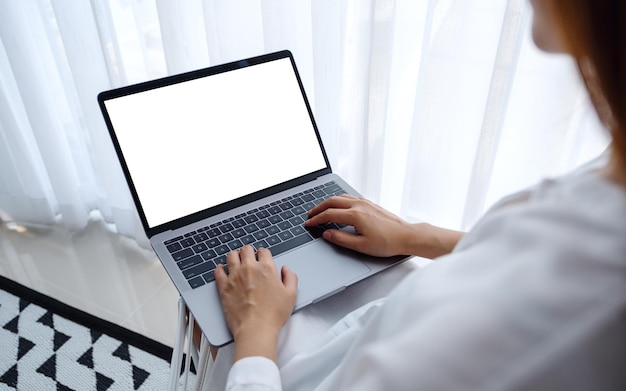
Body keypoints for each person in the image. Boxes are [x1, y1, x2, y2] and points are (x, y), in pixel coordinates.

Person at [204, 0, 626, 389]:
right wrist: (413, 235)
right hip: (371, 329)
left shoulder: (558, 310)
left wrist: (255, 332)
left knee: (221, 326)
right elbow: (536, 256)